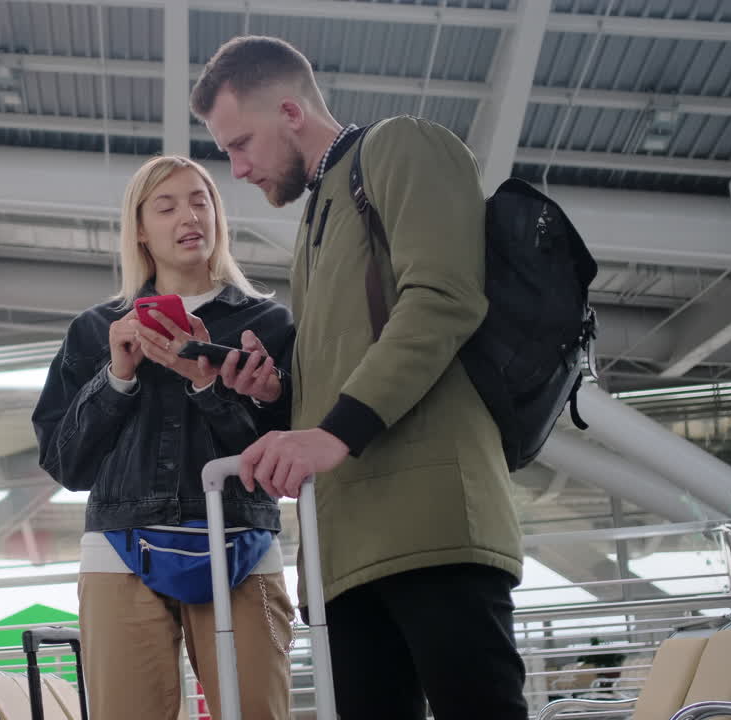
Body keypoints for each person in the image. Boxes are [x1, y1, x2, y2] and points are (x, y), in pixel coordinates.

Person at [190, 35, 528, 720]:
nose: (239, 169)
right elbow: (353, 361)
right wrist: (278, 396)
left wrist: (333, 433)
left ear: (289, 110)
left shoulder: (402, 146)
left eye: (241, 144)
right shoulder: (319, 214)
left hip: (430, 522)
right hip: (342, 548)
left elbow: (444, 297)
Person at [32, 154, 296, 720]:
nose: (189, 216)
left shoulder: (269, 325)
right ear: (141, 230)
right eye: (167, 205)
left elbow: (287, 461)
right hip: (119, 550)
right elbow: (66, 465)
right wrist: (117, 376)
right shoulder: (94, 331)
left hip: (242, 544)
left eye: (201, 201)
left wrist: (208, 386)